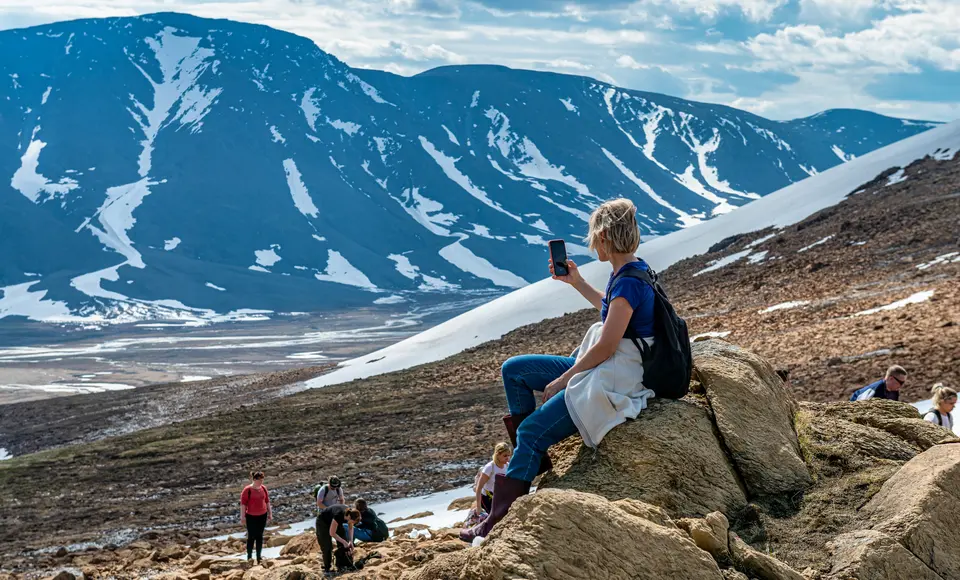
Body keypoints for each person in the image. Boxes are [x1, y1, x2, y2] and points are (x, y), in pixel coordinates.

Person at [460, 198, 657, 542]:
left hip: (612, 377)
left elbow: (608, 345)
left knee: (531, 432)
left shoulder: (628, 281)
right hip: (606, 366)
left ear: (606, 236)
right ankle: (530, 462)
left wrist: (564, 379)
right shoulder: (628, 272)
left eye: (595, 236)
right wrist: (577, 282)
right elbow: (613, 314)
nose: (592, 243)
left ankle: (497, 522)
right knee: (514, 370)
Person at [316, 504, 361, 576]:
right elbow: (332, 533)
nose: (352, 524)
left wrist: (351, 541)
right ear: (349, 517)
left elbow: (350, 528)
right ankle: (327, 568)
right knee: (327, 546)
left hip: (336, 522)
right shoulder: (339, 515)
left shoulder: (351, 514)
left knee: (344, 541)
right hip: (323, 522)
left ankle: (342, 565)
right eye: (352, 522)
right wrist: (344, 542)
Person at [240, 471, 272, 564]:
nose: (261, 481)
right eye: (259, 479)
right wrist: (242, 517)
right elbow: (243, 504)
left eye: (262, 479)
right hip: (251, 516)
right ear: (254, 479)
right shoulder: (247, 490)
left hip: (262, 515)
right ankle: (249, 557)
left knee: (259, 536)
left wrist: (270, 513)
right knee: (251, 536)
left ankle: (259, 557)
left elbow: (267, 501)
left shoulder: (264, 488)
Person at [474, 442, 512, 515]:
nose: (507, 458)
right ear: (498, 454)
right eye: (505, 456)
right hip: (487, 498)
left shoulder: (507, 466)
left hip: (499, 497)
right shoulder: (490, 467)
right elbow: (478, 488)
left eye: (509, 455)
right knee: (493, 518)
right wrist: (478, 507)